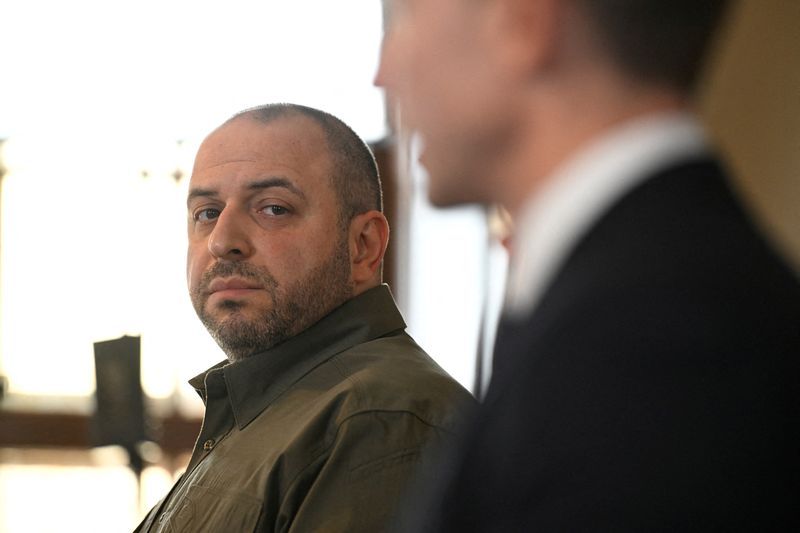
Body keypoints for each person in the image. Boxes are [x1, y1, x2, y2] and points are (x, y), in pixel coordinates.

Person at [376, 0, 800, 530]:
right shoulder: (653, 294)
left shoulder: (659, 346)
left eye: (409, 15)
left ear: (523, 22)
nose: (383, 73)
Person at [134, 103, 474, 532]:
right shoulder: (270, 408)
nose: (222, 241)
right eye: (207, 212)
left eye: (273, 208)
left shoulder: (381, 417)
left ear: (363, 245)